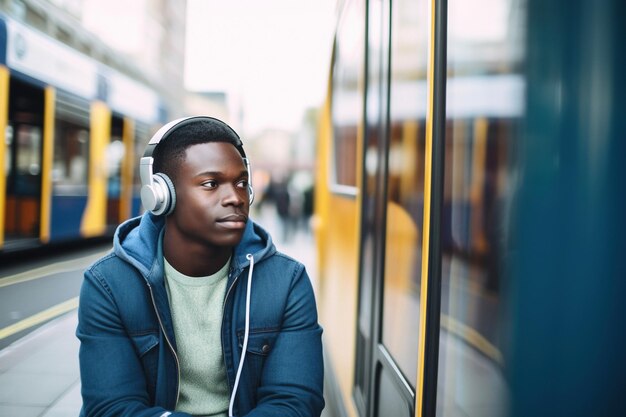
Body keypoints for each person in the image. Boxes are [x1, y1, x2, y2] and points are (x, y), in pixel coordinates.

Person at [76, 116, 324, 417]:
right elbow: (111, 408)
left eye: (242, 183)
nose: (235, 198)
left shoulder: (287, 281)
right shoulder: (109, 284)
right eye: (211, 183)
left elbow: (295, 403)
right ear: (161, 196)